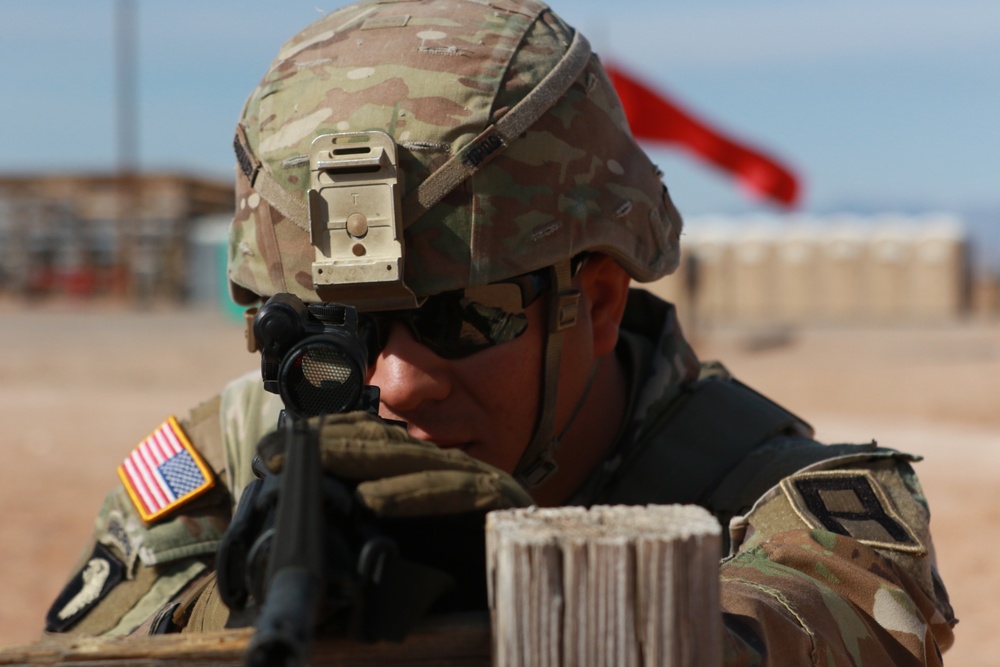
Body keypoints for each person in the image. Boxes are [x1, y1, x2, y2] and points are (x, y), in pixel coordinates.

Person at [45, 0, 956, 663]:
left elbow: (809, 621)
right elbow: (94, 631)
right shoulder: (228, 456)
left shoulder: (792, 503)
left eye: (462, 316)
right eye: (339, 331)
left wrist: (506, 600)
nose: (399, 383)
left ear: (597, 304)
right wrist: (233, 603)